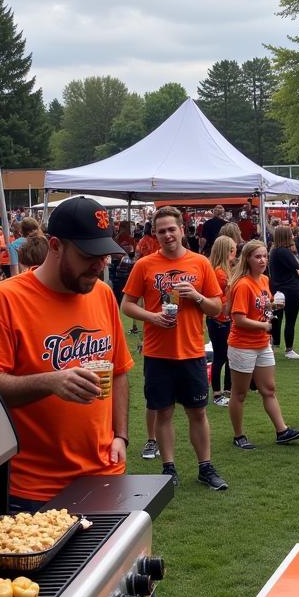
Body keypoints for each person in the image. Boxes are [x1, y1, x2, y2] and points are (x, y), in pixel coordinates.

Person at [0, 195, 190, 597]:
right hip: (35, 485)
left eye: (106, 254)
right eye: (90, 254)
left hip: (104, 470)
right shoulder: (6, 299)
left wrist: (122, 436)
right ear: (54, 245)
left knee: (132, 575)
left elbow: (119, 371)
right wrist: (49, 381)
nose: (100, 264)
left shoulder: (103, 294)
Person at [121, 206, 228, 491]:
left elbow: (218, 307)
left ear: (182, 229)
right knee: (163, 412)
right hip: (158, 353)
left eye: (171, 229)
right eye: (161, 230)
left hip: (191, 351)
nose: (167, 235)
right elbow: (127, 305)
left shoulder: (200, 263)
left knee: (198, 412)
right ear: (154, 234)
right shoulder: (145, 264)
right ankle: (168, 468)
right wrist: (153, 317)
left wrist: (197, 296)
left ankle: (205, 467)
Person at [225, 240, 299, 449]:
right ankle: (238, 435)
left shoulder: (264, 280)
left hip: (261, 343)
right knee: (240, 393)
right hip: (243, 344)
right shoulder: (243, 284)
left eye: (264, 256)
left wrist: (271, 306)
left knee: (268, 388)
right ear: (247, 259)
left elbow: (261, 306)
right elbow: (238, 318)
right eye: (257, 257)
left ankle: (282, 430)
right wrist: (264, 326)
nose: (262, 260)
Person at [267, 225, 299, 360]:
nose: (293, 236)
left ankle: (274, 345)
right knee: (289, 319)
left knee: (276, 319)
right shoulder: (283, 251)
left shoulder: (274, 251)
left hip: (278, 289)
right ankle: (288, 348)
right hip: (290, 289)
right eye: (290, 234)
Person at [207, 236, 236, 407]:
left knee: (226, 355)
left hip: (223, 318)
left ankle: (227, 389)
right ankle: (218, 393)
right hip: (219, 319)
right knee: (221, 355)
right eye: (232, 249)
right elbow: (219, 297)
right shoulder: (220, 272)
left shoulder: (223, 270)